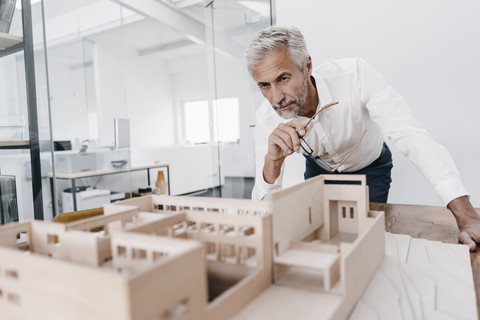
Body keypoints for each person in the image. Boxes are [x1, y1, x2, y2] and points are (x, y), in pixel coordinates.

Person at [245, 26, 480, 251]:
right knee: (320, 240)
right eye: (264, 85)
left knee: (367, 242)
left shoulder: (356, 75)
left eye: (283, 79)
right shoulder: (267, 118)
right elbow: (260, 212)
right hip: (319, 172)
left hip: (371, 169)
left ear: (307, 66)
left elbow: (412, 136)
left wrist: (466, 214)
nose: (275, 98)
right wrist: (272, 162)